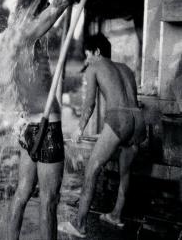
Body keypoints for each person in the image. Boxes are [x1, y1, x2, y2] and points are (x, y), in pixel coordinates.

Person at [7, 0, 84, 240]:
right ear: (32, 15)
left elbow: (32, 3)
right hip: (46, 128)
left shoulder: (14, 35)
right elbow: (63, 1)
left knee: (21, 196)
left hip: (26, 127)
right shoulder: (30, 33)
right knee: (49, 203)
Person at [58, 33, 146, 238]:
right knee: (126, 172)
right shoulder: (126, 69)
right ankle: (116, 215)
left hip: (119, 120)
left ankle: (79, 225)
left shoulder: (95, 66)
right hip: (139, 121)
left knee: (91, 171)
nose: (86, 60)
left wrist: (79, 129)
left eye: (87, 55)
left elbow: (89, 104)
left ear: (96, 52)